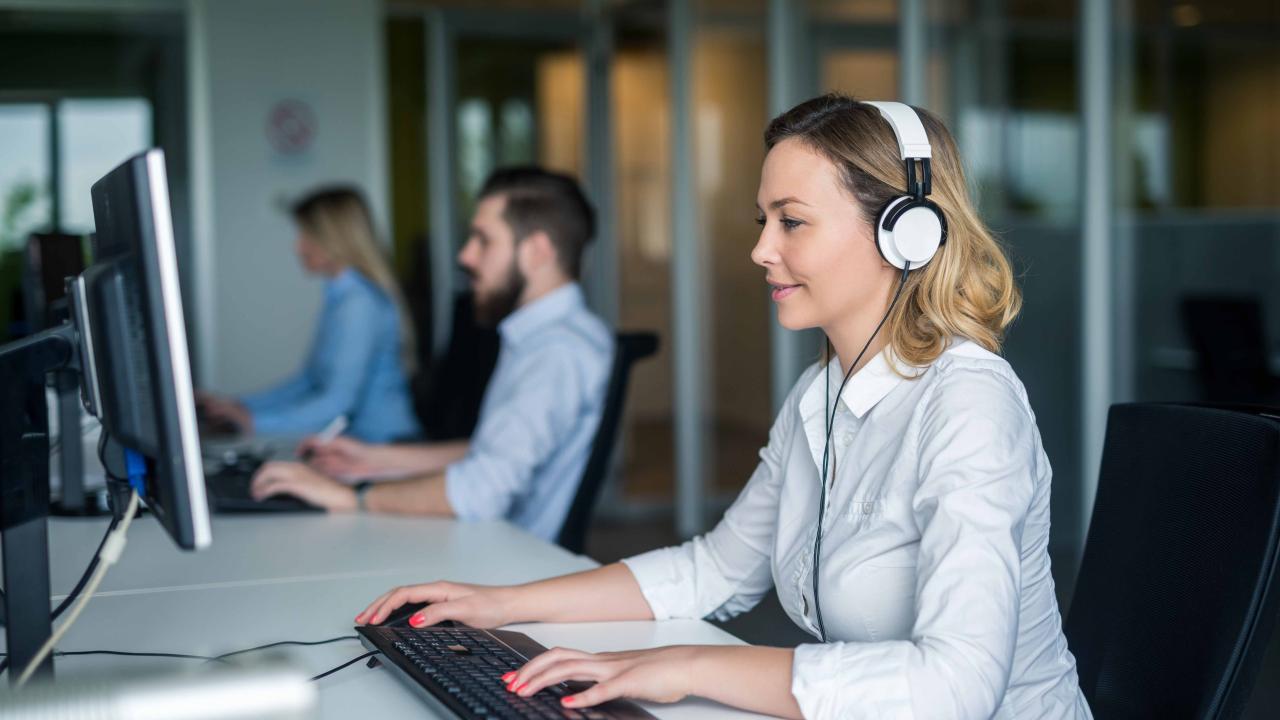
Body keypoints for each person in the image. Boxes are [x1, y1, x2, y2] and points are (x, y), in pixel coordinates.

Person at [352, 95, 1092, 719]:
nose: (761, 249)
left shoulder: (969, 406)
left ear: (906, 234)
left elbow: (956, 685)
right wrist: (500, 606)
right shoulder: (823, 394)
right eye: (761, 220)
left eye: (791, 221)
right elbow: (713, 569)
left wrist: (691, 666)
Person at [249, 167, 614, 544]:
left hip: (503, 559)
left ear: (537, 251)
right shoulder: (547, 337)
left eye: (483, 240)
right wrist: (374, 459)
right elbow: (494, 451)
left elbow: (483, 490)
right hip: (489, 542)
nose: (465, 255)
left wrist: (354, 498)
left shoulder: (556, 353)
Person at [197, 186, 420, 443]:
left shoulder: (359, 304)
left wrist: (254, 421)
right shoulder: (342, 297)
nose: (297, 246)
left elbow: (338, 403)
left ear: (333, 238)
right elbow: (309, 382)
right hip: (364, 444)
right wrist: (239, 406)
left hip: (386, 445)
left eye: (306, 234)